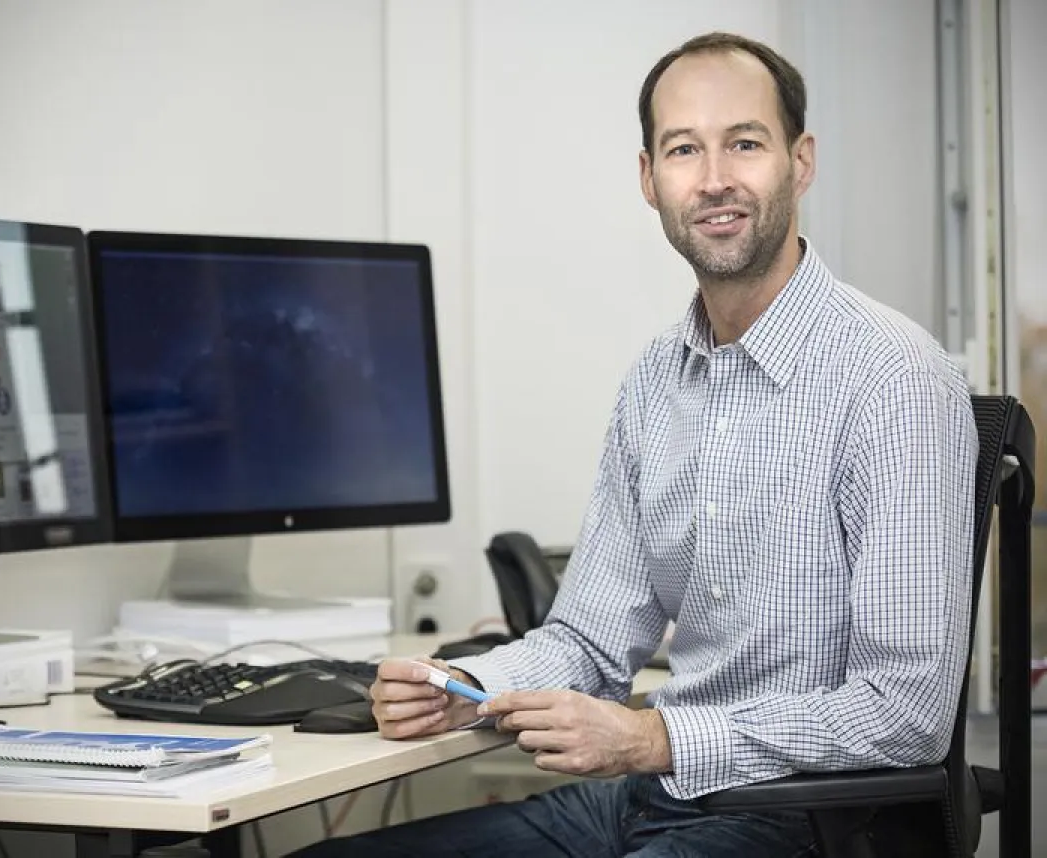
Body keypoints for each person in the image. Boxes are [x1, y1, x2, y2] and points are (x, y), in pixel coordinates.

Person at [288, 30, 977, 858]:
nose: (715, 178)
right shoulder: (658, 380)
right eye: (685, 149)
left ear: (801, 162)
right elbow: (590, 638)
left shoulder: (894, 379)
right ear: (650, 180)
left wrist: (654, 740)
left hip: (816, 821)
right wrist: (467, 688)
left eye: (745, 144)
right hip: (656, 799)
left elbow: (905, 709)